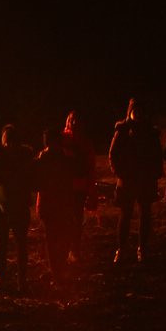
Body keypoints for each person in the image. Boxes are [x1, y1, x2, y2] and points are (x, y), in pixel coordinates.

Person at [108, 97, 163, 263]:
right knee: (125, 214)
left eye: (140, 111)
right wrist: (121, 173)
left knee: (145, 215)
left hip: (146, 179)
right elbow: (113, 154)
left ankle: (143, 248)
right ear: (130, 112)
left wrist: (155, 172)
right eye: (135, 111)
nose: (138, 114)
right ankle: (122, 248)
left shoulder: (150, 132)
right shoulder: (123, 130)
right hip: (128, 180)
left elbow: (156, 155)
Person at [0, 124, 35, 293]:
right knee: (1, 244)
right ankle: (0, 278)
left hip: (18, 206)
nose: (10, 145)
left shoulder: (25, 158)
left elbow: (32, 179)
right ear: (3, 143)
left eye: (13, 142)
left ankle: (22, 280)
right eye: (7, 142)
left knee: (21, 244)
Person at [35, 126, 76, 286]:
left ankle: (59, 269)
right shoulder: (44, 160)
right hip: (52, 205)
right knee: (55, 238)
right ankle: (58, 272)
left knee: (59, 237)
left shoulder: (63, 159)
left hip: (58, 204)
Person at [62, 110, 97, 260]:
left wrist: (90, 189)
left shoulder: (85, 142)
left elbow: (90, 166)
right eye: (72, 120)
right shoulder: (63, 140)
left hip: (79, 187)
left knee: (76, 219)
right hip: (65, 187)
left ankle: (74, 249)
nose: (75, 123)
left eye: (77, 120)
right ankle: (66, 249)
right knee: (65, 219)